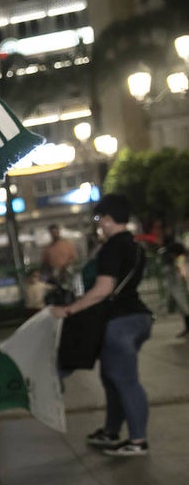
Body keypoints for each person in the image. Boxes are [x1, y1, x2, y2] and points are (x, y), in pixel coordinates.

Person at [52, 194, 153, 456]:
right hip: (138, 318)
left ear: (108, 219)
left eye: (100, 219)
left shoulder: (111, 247)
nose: (99, 224)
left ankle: (138, 440)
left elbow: (104, 289)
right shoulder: (135, 245)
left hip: (120, 322)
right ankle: (111, 431)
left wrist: (70, 309)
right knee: (112, 378)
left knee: (124, 380)